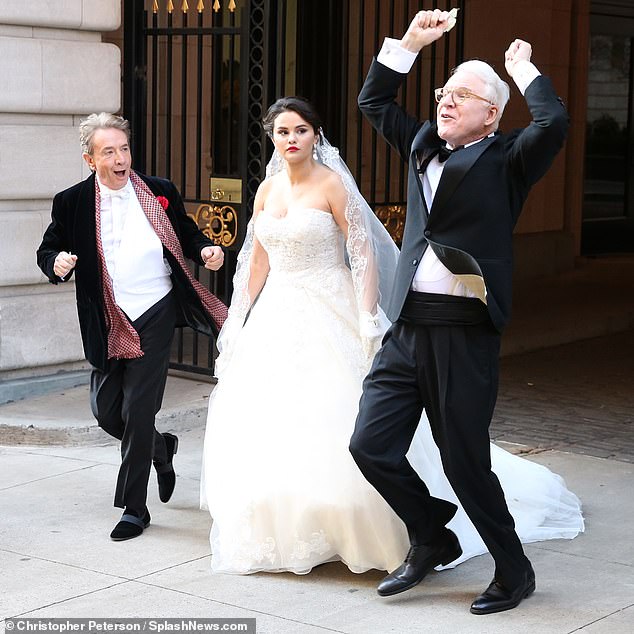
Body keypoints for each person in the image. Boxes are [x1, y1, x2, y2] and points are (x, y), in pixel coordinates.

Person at [200, 97, 582, 576]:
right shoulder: (265, 191)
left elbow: (362, 253)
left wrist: (365, 317)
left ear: (315, 135)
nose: (291, 139)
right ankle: (290, 527)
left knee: (341, 419)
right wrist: (237, 319)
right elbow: (257, 262)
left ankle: (400, 530)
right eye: (282, 132)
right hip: (278, 311)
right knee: (277, 419)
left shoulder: (333, 185)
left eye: (300, 129)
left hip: (329, 304)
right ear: (272, 138)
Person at [349, 9, 571, 615]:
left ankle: (514, 570)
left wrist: (523, 71)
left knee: (465, 460)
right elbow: (374, 101)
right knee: (370, 445)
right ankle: (432, 535)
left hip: (463, 333)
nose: (447, 101)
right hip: (407, 326)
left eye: (464, 95)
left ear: (491, 115)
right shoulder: (422, 142)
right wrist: (411, 45)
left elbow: (552, 123)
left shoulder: (508, 161)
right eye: (446, 92)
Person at [37, 112, 228, 541]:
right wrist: (57, 262)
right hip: (107, 317)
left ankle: (134, 508)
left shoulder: (159, 192)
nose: (121, 158)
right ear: (91, 160)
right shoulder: (71, 202)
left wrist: (205, 250)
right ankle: (163, 448)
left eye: (124, 149)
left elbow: (185, 232)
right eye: (110, 152)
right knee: (107, 413)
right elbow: (47, 248)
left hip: (155, 308)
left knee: (139, 411)